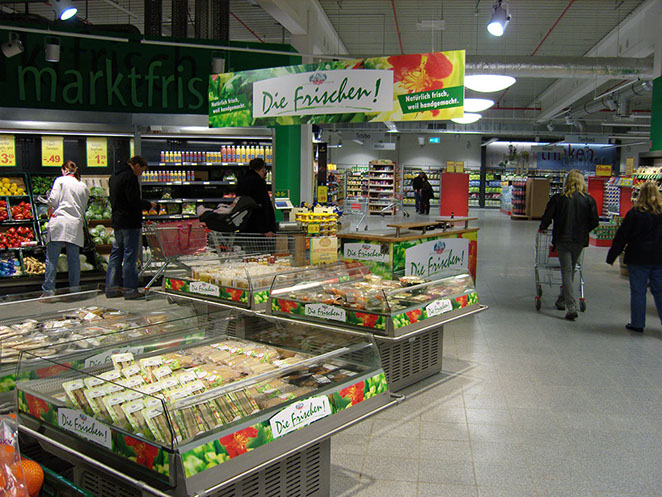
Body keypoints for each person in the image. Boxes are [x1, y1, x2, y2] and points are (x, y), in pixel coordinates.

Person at [539, 169, 599, 321]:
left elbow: (547, 216)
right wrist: (584, 230)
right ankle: (561, 300)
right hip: (579, 241)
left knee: (566, 270)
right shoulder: (589, 200)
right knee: (570, 270)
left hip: (562, 239)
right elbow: (595, 221)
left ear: (567, 181)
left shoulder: (558, 199)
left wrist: (543, 227)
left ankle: (571, 307)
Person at [606, 181, 662, 333]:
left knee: (638, 291)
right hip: (659, 258)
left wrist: (612, 255)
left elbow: (622, 236)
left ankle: (637, 324)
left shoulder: (634, 213)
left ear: (640, 195)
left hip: (638, 258)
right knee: (660, 292)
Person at [106, 156, 155, 300]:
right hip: (130, 222)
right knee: (130, 257)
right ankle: (130, 291)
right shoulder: (130, 177)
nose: (141, 174)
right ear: (137, 165)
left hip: (117, 221)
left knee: (116, 255)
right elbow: (133, 201)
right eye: (142, 171)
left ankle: (111, 288)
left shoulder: (114, 177)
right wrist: (148, 205)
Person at [41, 161, 90, 296]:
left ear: (64, 169)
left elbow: (53, 200)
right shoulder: (83, 186)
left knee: (52, 259)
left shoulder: (60, 180)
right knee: (74, 259)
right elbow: (83, 207)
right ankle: (74, 289)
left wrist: (48, 203)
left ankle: (49, 290)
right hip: (75, 224)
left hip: (59, 222)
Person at [236, 157, 277, 236]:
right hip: (257, 228)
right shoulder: (258, 182)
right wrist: (266, 229)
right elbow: (262, 206)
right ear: (262, 169)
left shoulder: (242, 180)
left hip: (243, 224)